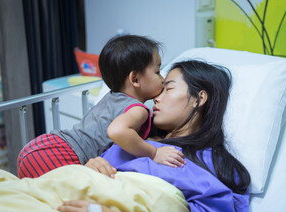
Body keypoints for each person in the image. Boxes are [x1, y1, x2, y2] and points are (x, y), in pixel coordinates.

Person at [58, 60, 251, 212]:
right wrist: (92, 165)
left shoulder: (215, 168)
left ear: (199, 99)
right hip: (63, 197)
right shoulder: (137, 140)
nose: (156, 97)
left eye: (168, 89)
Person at [17, 35, 185, 179]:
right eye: (157, 72)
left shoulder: (111, 97)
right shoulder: (138, 109)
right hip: (61, 156)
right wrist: (154, 153)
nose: (162, 79)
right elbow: (117, 132)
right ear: (134, 79)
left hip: (42, 146)